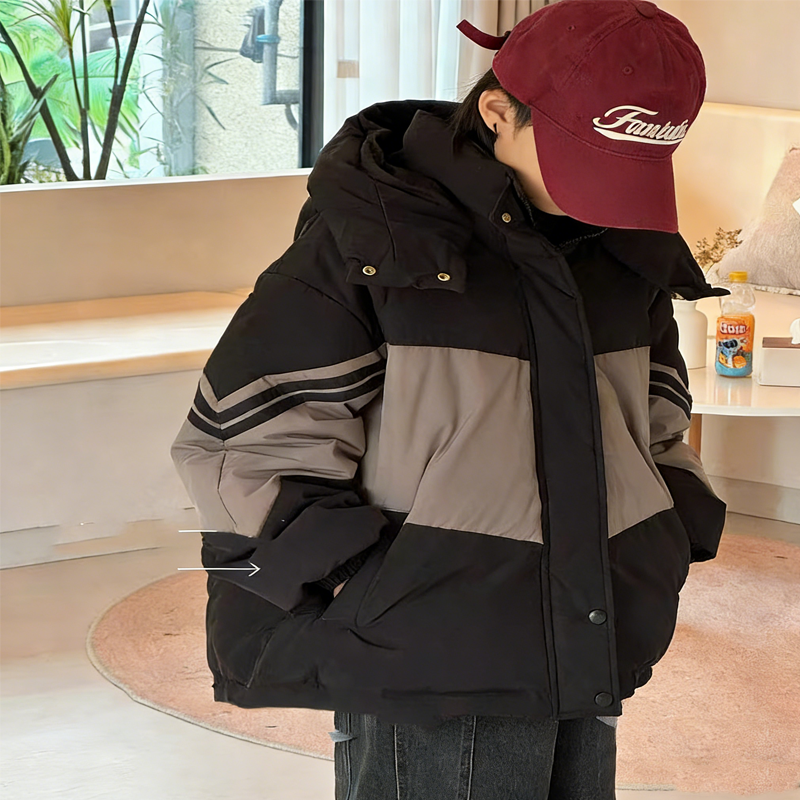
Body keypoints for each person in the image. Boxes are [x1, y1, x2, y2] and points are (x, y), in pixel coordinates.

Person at [170, 1, 728, 797]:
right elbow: (246, 443)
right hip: (425, 653)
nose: (606, 196)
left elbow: (655, 415)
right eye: (586, 159)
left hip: (588, 622)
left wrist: (668, 530)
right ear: (498, 111)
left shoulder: (620, 248)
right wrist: (378, 586)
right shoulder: (378, 238)